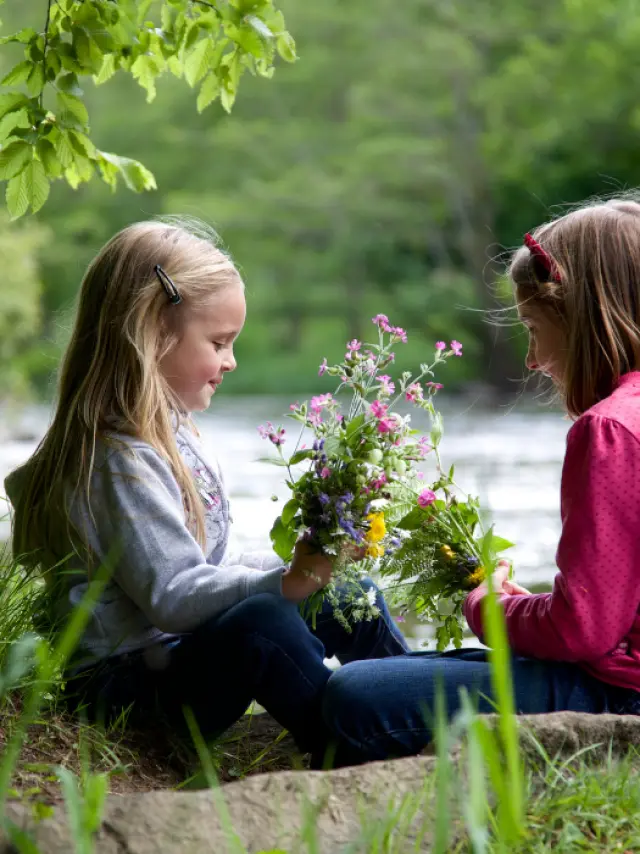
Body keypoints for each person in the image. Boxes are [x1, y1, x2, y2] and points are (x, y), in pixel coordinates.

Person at [4, 218, 408, 763]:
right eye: (218, 342)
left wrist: (307, 564)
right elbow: (175, 597)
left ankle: (416, 702)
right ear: (152, 330)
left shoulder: (172, 433)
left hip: (175, 658)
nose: (230, 361)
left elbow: (214, 560)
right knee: (262, 625)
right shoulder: (115, 459)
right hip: (124, 687)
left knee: (344, 593)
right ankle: (357, 743)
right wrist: (285, 582)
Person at [321, 198, 640, 765]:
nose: (536, 359)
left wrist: (488, 607)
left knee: (354, 694)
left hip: (621, 697)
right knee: (382, 672)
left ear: (583, 314)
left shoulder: (610, 429)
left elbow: (583, 632)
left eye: (535, 329)